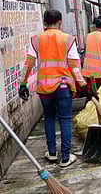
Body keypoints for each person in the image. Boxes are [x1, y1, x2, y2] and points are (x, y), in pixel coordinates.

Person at [18, 9, 88, 167]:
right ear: (60, 22)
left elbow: (28, 63)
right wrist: (82, 84)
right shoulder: (68, 39)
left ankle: (51, 152)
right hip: (63, 86)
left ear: (44, 22)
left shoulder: (36, 39)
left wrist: (23, 83)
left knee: (49, 118)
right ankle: (65, 157)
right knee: (65, 120)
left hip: (44, 87)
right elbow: (74, 64)